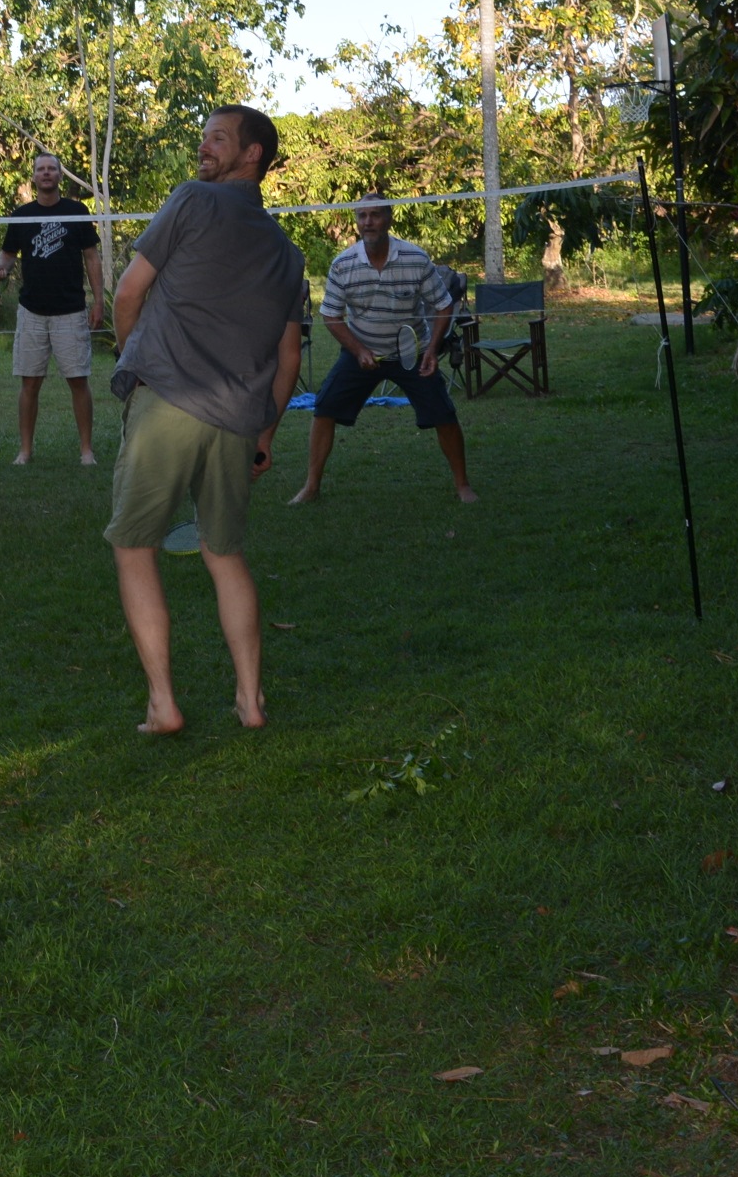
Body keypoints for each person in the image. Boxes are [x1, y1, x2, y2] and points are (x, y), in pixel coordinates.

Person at [103, 104, 305, 734]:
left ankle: (163, 705)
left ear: (253, 154)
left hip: (167, 401)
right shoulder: (289, 254)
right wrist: (265, 434)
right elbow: (289, 358)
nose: (204, 147)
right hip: (238, 422)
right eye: (204, 138)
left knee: (134, 545)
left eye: (218, 138)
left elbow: (128, 292)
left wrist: (134, 359)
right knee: (225, 554)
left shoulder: (191, 199)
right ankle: (250, 702)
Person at [293, 193, 478, 505]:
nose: (368, 222)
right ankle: (311, 487)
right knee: (324, 409)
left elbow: (443, 305)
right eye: (362, 216)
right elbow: (331, 315)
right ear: (357, 221)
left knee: (444, 415)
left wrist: (432, 350)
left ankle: (463, 486)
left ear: (389, 219)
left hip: (412, 353)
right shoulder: (343, 264)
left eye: (375, 215)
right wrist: (358, 350)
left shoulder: (415, 258)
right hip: (361, 352)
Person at [0, 150, 105, 465]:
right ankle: (25, 452)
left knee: (78, 380)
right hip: (32, 312)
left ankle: (86, 451)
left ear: (59, 175)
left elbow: (91, 258)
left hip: (71, 310)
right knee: (29, 382)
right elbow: (8, 256)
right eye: (40, 169)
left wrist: (98, 301)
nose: (45, 173)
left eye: (51, 169)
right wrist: (1, 269)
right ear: (33, 176)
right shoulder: (21, 215)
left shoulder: (76, 211)